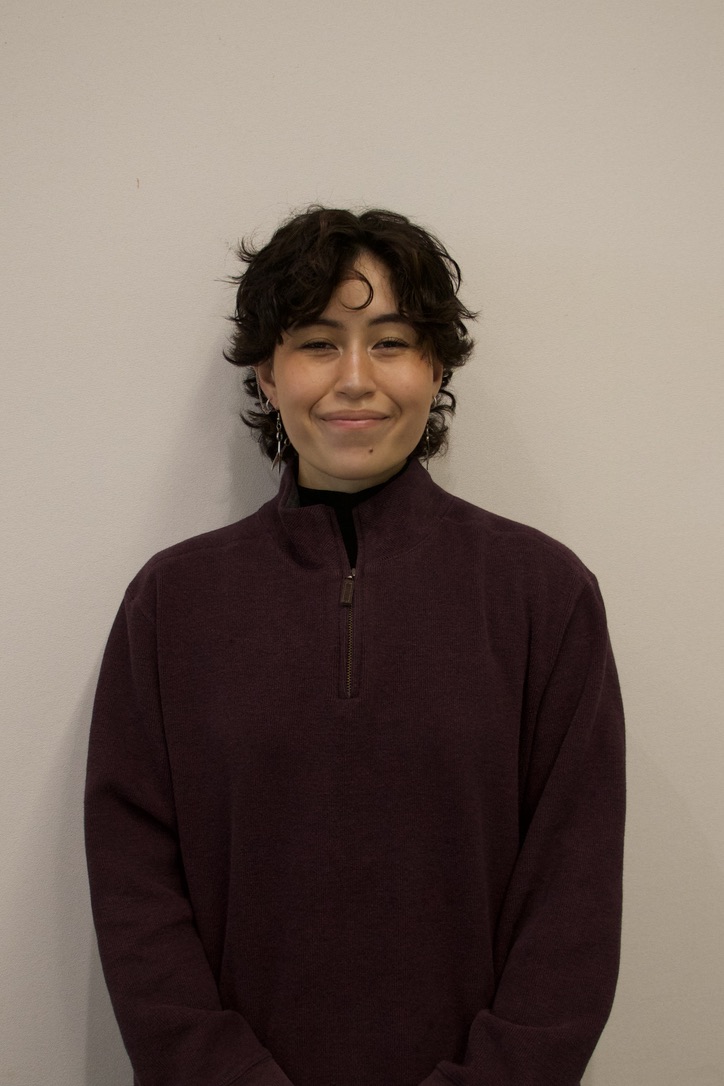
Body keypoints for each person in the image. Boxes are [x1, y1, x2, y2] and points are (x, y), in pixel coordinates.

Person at [85, 207, 625, 1086]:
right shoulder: (171, 604)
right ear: (268, 373)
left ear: (436, 366)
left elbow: (574, 899)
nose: (355, 379)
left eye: (391, 342)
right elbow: (134, 887)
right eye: (318, 342)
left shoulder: (544, 595)